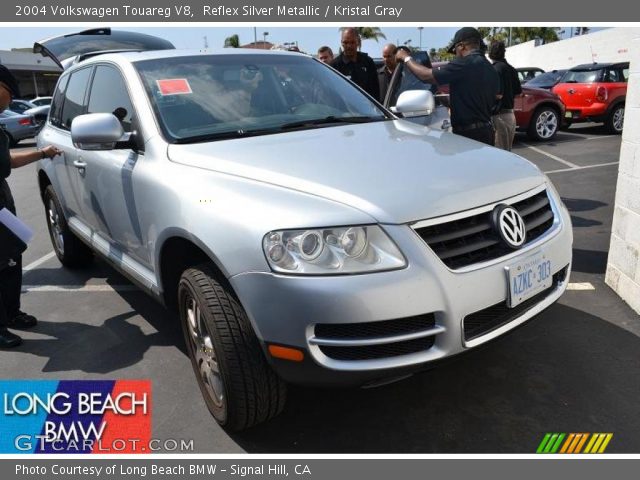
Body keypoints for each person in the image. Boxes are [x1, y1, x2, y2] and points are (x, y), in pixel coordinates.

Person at [0, 65, 60, 348]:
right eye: (9, 93)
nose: (10, 101)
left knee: (13, 254)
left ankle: (11, 313)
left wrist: (43, 153)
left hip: (2, 204)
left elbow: (8, 162)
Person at [395, 27, 499, 145]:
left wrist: (405, 57)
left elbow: (426, 76)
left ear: (461, 46)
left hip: (470, 137)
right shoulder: (490, 68)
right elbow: (482, 99)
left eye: (455, 50)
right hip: (486, 132)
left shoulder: (465, 63)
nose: (456, 55)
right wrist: (451, 102)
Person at [488, 40, 522, 151]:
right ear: (504, 52)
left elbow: (497, 94)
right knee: (507, 152)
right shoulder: (511, 69)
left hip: (498, 117)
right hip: (510, 116)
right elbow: (518, 91)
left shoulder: (494, 69)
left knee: (498, 155)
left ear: (490, 53)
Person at [331, 28, 380, 101]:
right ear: (341, 43)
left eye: (352, 42)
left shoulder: (368, 62)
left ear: (358, 42)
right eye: (346, 42)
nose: (349, 46)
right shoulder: (334, 65)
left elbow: (376, 91)